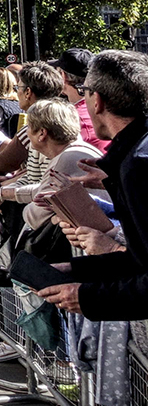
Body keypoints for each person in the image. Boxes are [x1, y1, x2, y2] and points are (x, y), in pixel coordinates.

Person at [37, 50, 148, 321]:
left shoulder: (137, 166)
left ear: (96, 100)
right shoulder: (131, 157)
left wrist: (87, 297)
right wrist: (75, 269)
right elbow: (139, 258)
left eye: (84, 93)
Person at [0, 97, 106, 230]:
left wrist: (7, 197)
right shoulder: (77, 151)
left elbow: (34, 216)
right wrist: (0, 194)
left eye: (28, 128)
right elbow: (41, 190)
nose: (26, 134)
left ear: (41, 133)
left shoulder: (65, 161)